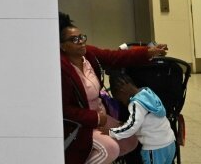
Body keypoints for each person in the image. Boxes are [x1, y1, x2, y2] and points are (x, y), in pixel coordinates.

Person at [60, 12, 169, 164]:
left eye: (82, 37)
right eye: (74, 39)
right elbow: (64, 109)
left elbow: (115, 57)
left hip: (101, 116)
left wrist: (148, 52)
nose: (81, 42)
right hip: (81, 124)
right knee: (110, 149)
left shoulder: (89, 55)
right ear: (62, 46)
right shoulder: (62, 68)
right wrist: (96, 118)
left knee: (130, 140)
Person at [107, 72, 176, 164]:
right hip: (170, 143)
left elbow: (132, 127)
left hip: (154, 148)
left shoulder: (136, 104)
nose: (123, 103)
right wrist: (126, 124)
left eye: (121, 100)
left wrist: (111, 132)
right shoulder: (147, 92)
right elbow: (145, 120)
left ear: (122, 91)